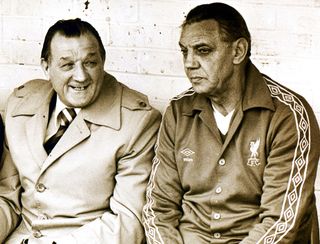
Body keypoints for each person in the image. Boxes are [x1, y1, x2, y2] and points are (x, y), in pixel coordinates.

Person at [143, 2, 320, 243]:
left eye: (203, 50)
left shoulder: (288, 115)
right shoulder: (178, 111)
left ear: (238, 51)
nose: (189, 63)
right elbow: (158, 209)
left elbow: (280, 222)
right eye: (185, 51)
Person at [0, 18, 161, 243]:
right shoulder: (20, 104)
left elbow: (128, 221)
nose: (81, 76)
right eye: (67, 65)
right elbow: (8, 199)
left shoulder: (138, 122)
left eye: (90, 63)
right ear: (46, 67)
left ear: (103, 61)